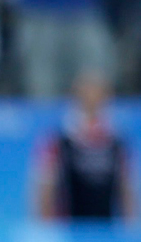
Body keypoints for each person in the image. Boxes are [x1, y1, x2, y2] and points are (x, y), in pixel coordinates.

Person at [34, 71, 137, 222]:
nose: (91, 97)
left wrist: (129, 226)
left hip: (106, 230)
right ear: (75, 94)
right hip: (71, 231)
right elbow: (46, 186)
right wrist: (47, 228)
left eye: (97, 91)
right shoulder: (59, 139)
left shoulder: (117, 140)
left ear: (107, 96)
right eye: (86, 90)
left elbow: (126, 187)